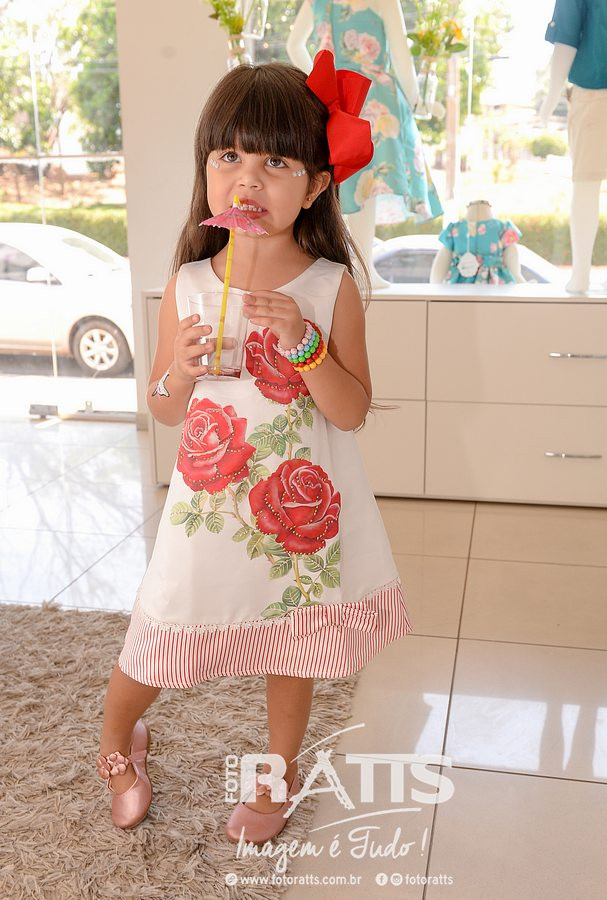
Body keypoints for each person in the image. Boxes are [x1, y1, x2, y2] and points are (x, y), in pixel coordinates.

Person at [94, 50, 412, 843]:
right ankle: (116, 745)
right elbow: (165, 410)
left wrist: (305, 346)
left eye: (275, 162)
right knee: (159, 632)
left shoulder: (330, 286)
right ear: (205, 169)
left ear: (315, 184)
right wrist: (178, 372)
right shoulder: (190, 283)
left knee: (289, 645)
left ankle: (277, 771)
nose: (247, 179)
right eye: (228, 156)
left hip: (298, 521)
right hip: (208, 512)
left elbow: (350, 412)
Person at [287, 0, 443, 289]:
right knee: (366, 184)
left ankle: (349, 266)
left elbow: (294, 46)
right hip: (375, 97)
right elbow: (401, 56)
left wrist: (320, 84)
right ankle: (363, 267)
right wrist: (416, 101)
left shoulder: (316, 2)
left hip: (333, 99)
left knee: (340, 183)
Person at [540, 0, 607, 294]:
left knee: (586, 185)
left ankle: (581, 276)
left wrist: (550, 98)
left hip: (592, 96)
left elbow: (566, 40)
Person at [430, 200, 525, 285]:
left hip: (462, 291)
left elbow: (437, 276)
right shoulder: (503, 230)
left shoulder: (454, 231)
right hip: (494, 290)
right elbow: (515, 272)